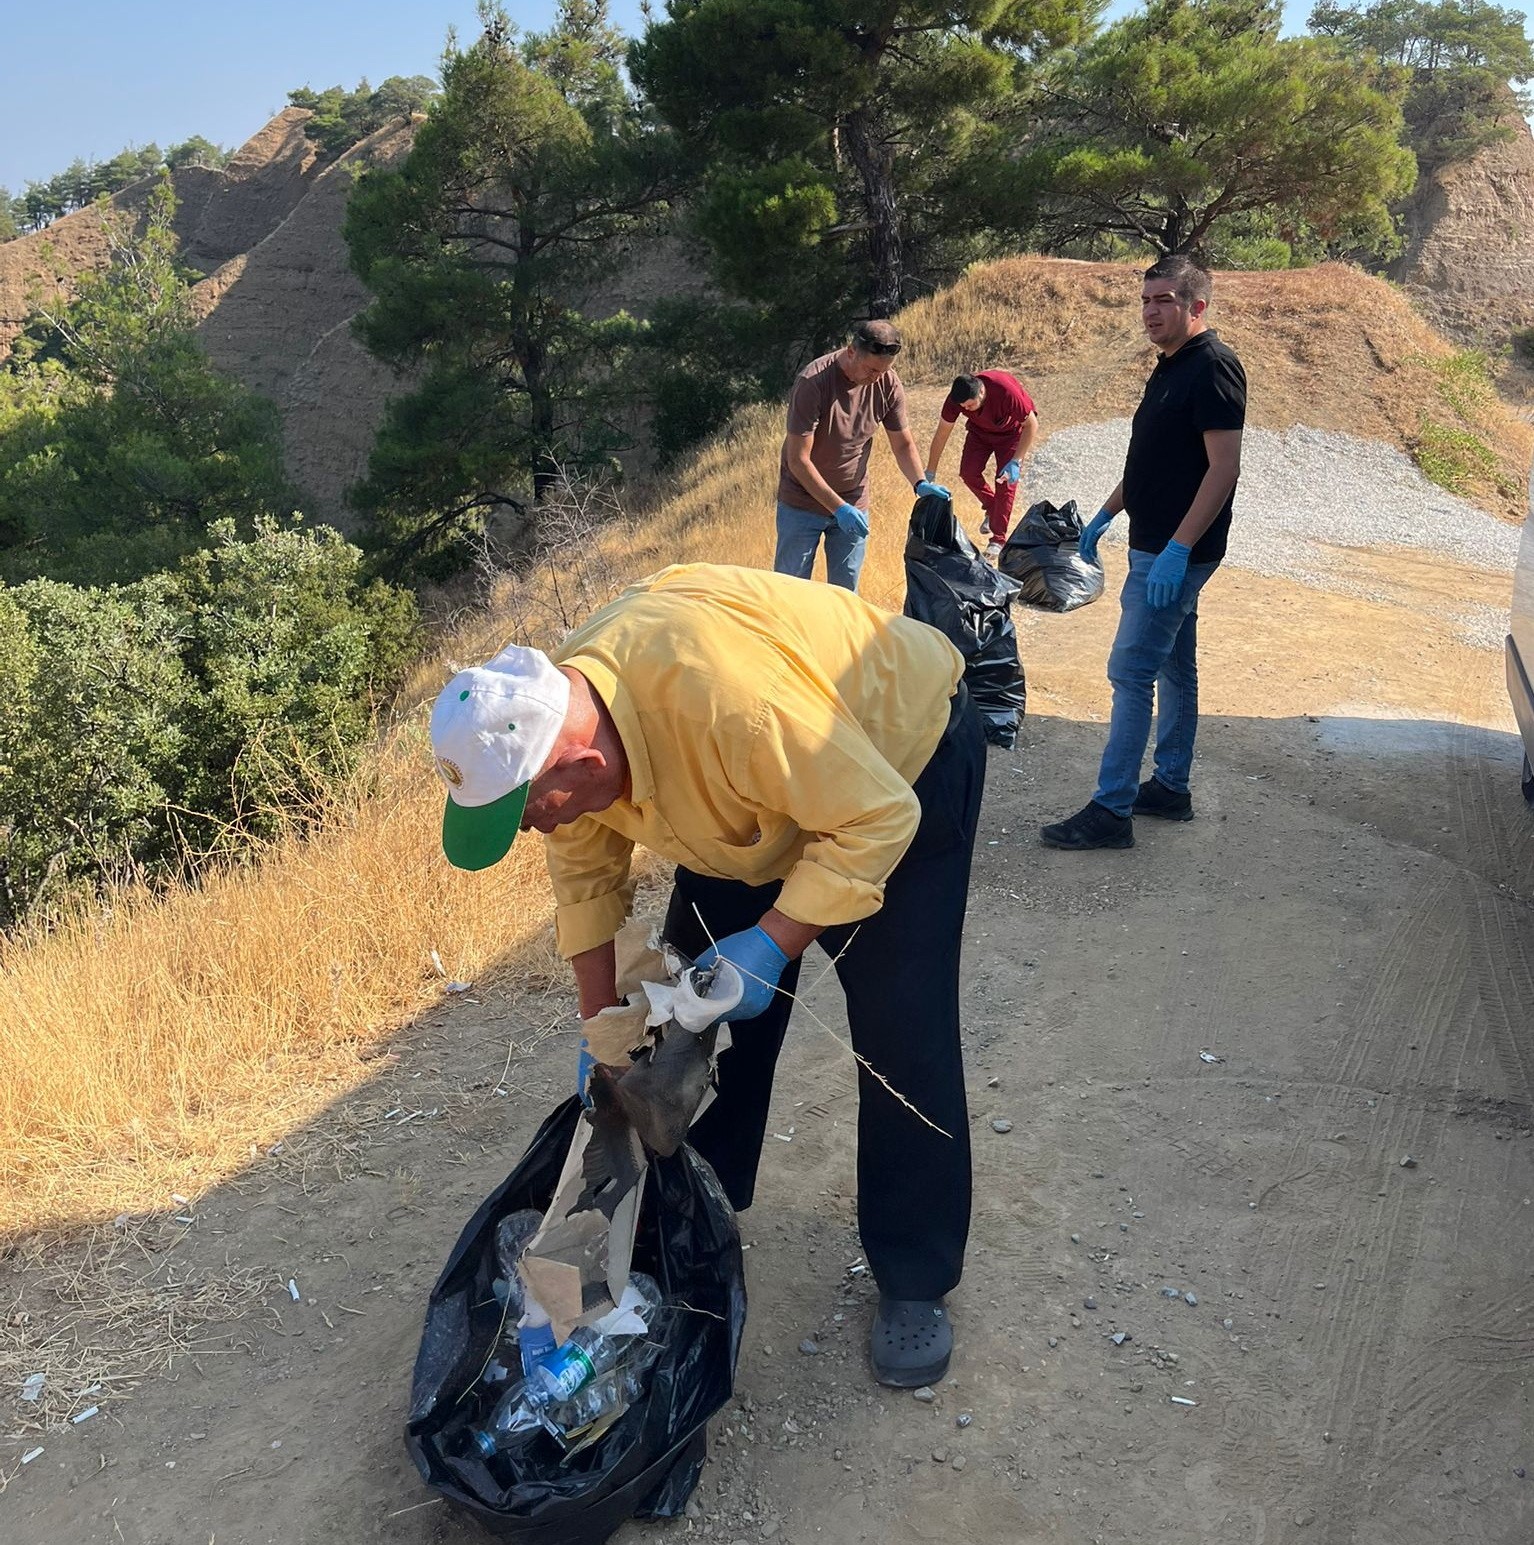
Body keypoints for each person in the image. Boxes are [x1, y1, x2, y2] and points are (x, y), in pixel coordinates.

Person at [429, 564, 985, 1387]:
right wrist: (604, 1035)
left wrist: (772, 941)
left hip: (893, 767)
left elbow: (878, 815)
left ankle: (915, 1276)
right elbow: (587, 883)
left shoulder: (725, 704)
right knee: (682, 1033)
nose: (535, 828)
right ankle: (700, 1212)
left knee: (903, 1040)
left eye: (530, 812)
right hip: (744, 805)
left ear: (576, 765)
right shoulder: (564, 726)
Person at [1040, 254, 1246, 850]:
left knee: (1130, 672)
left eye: (1165, 301)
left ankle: (1111, 811)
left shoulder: (1213, 368)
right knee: (1175, 667)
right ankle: (1172, 788)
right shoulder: (1168, 366)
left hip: (1174, 553)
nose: (1151, 312)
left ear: (1196, 306)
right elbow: (1150, 459)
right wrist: (1107, 512)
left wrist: (1180, 549)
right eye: (1146, 300)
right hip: (1152, 544)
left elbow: (1223, 469)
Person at [776, 319, 949, 592]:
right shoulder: (813, 382)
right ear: (851, 351)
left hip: (853, 499)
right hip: (801, 503)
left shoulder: (887, 384)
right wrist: (838, 508)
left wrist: (920, 483)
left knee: (846, 594)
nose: (876, 377)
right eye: (871, 369)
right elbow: (798, 460)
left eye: (883, 371)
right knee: (790, 591)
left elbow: (902, 444)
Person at [924, 369, 1039, 560]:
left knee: (1004, 481)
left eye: (970, 405)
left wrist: (1016, 461)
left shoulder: (1005, 391)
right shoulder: (955, 401)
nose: (966, 409)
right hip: (979, 434)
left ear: (982, 393)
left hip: (1012, 435)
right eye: (963, 406)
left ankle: (998, 539)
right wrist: (930, 471)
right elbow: (942, 434)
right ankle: (993, 508)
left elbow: (1031, 425)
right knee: (968, 473)